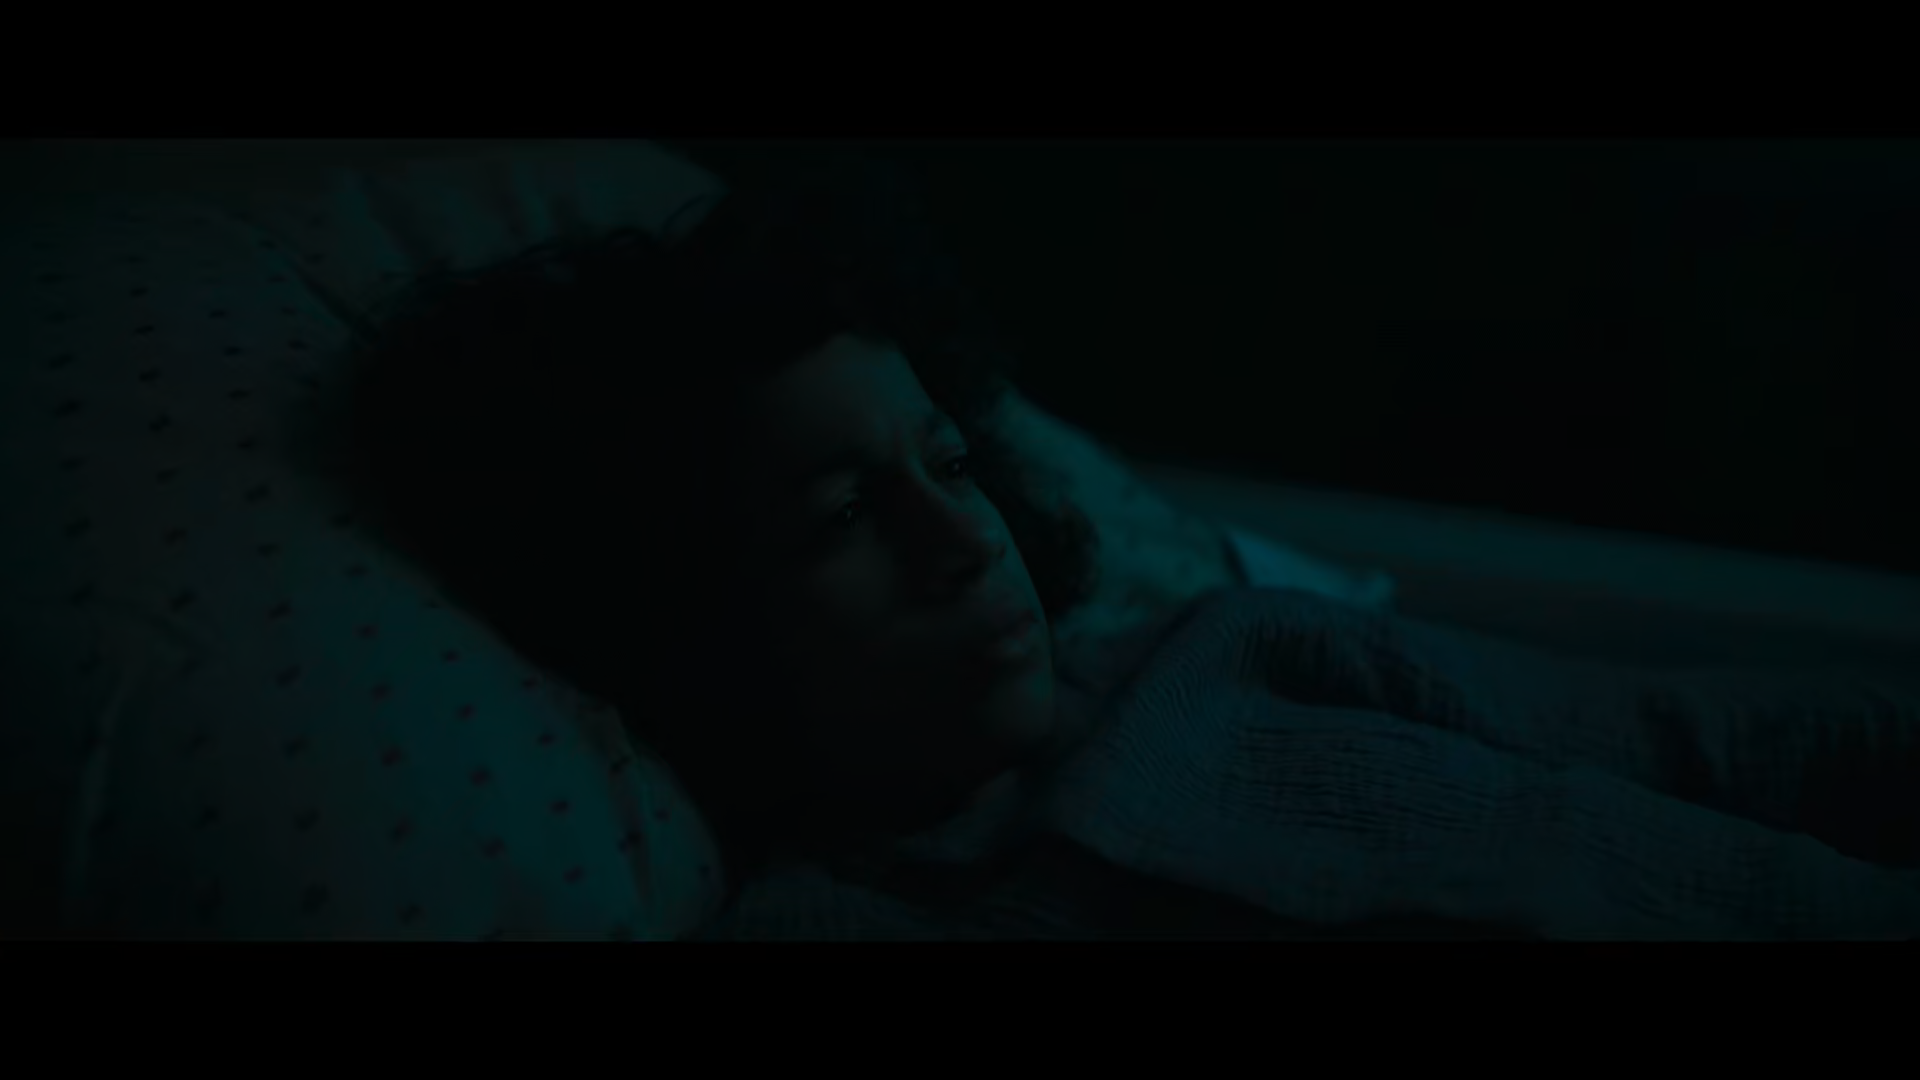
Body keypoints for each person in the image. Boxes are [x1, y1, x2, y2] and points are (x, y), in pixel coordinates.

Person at [348, 160, 1920, 940]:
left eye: (949, 464)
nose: (959, 540)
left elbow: (1697, 741)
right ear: (688, 625)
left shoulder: (1231, 655)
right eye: (840, 517)